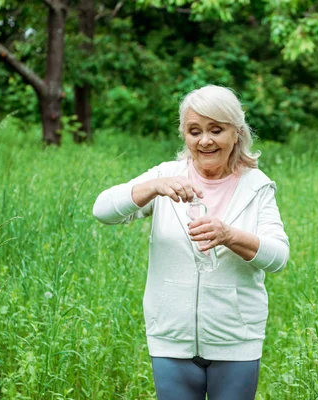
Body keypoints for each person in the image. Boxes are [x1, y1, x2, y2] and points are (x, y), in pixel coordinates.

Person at [92, 85, 290, 400]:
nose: (205, 140)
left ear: (236, 133)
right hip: (171, 336)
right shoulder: (167, 177)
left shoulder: (256, 186)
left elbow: (278, 256)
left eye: (216, 130)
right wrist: (153, 187)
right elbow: (102, 210)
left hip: (235, 338)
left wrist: (228, 235)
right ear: (184, 135)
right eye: (194, 131)